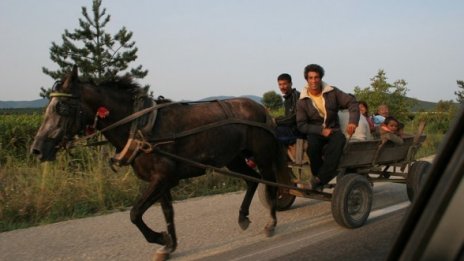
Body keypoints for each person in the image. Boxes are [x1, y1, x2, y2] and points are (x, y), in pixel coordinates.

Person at [296, 64, 360, 189]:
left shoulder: (332, 92)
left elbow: (352, 102)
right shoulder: (302, 101)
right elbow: (301, 125)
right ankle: (320, 177)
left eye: (316, 77)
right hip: (315, 132)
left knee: (339, 142)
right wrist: (320, 130)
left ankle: (319, 180)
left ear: (320, 78)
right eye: (311, 78)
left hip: (333, 130)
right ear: (307, 80)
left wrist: (353, 122)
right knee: (312, 148)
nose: (314, 81)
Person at [274, 73, 301, 145]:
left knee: (271, 133)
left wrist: (276, 121)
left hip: (297, 131)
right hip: (290, 128)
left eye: (284, 84)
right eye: (280, 84)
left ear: (291, 84)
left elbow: (295, 117)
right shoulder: (287, 99)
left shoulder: (296, 95)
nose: (282, 87)